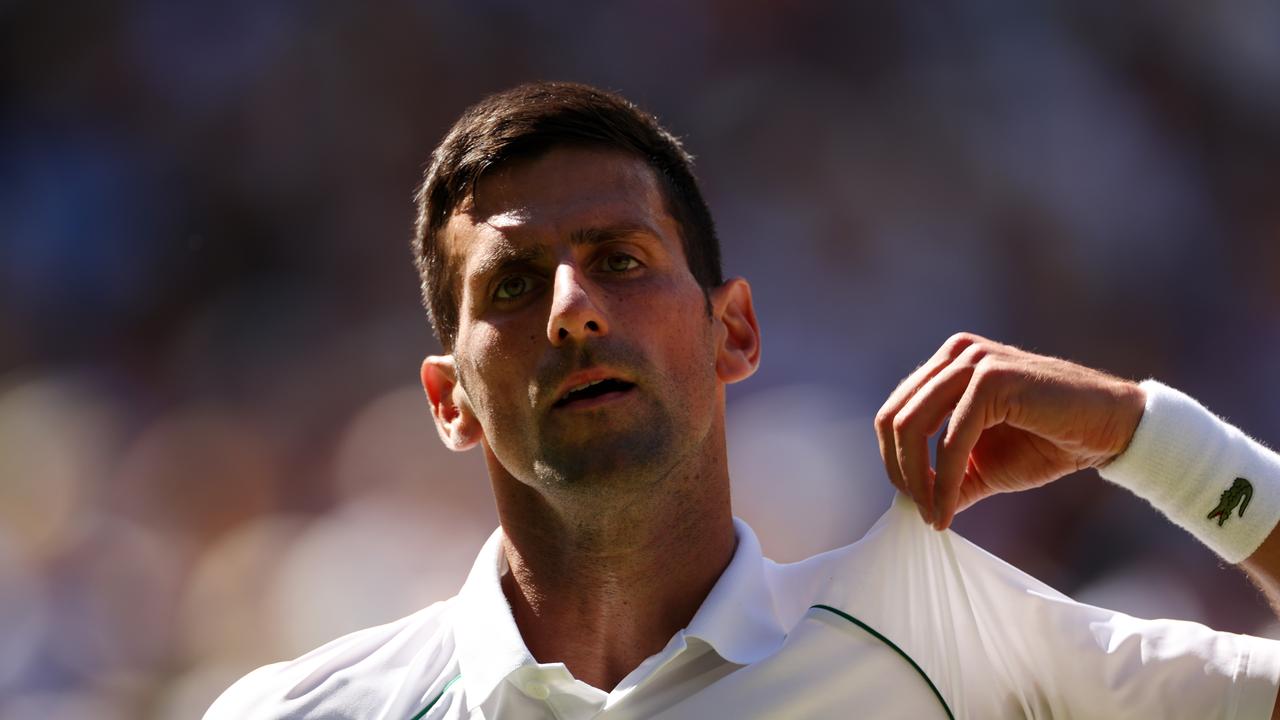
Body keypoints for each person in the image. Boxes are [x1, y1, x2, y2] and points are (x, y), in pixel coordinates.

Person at [205, 81, 1280, 719]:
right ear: (449, 402)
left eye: (619, 260)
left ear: (735, 332)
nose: (573, 311)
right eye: (515, 285)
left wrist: (1143, 435)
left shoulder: (937, 638)